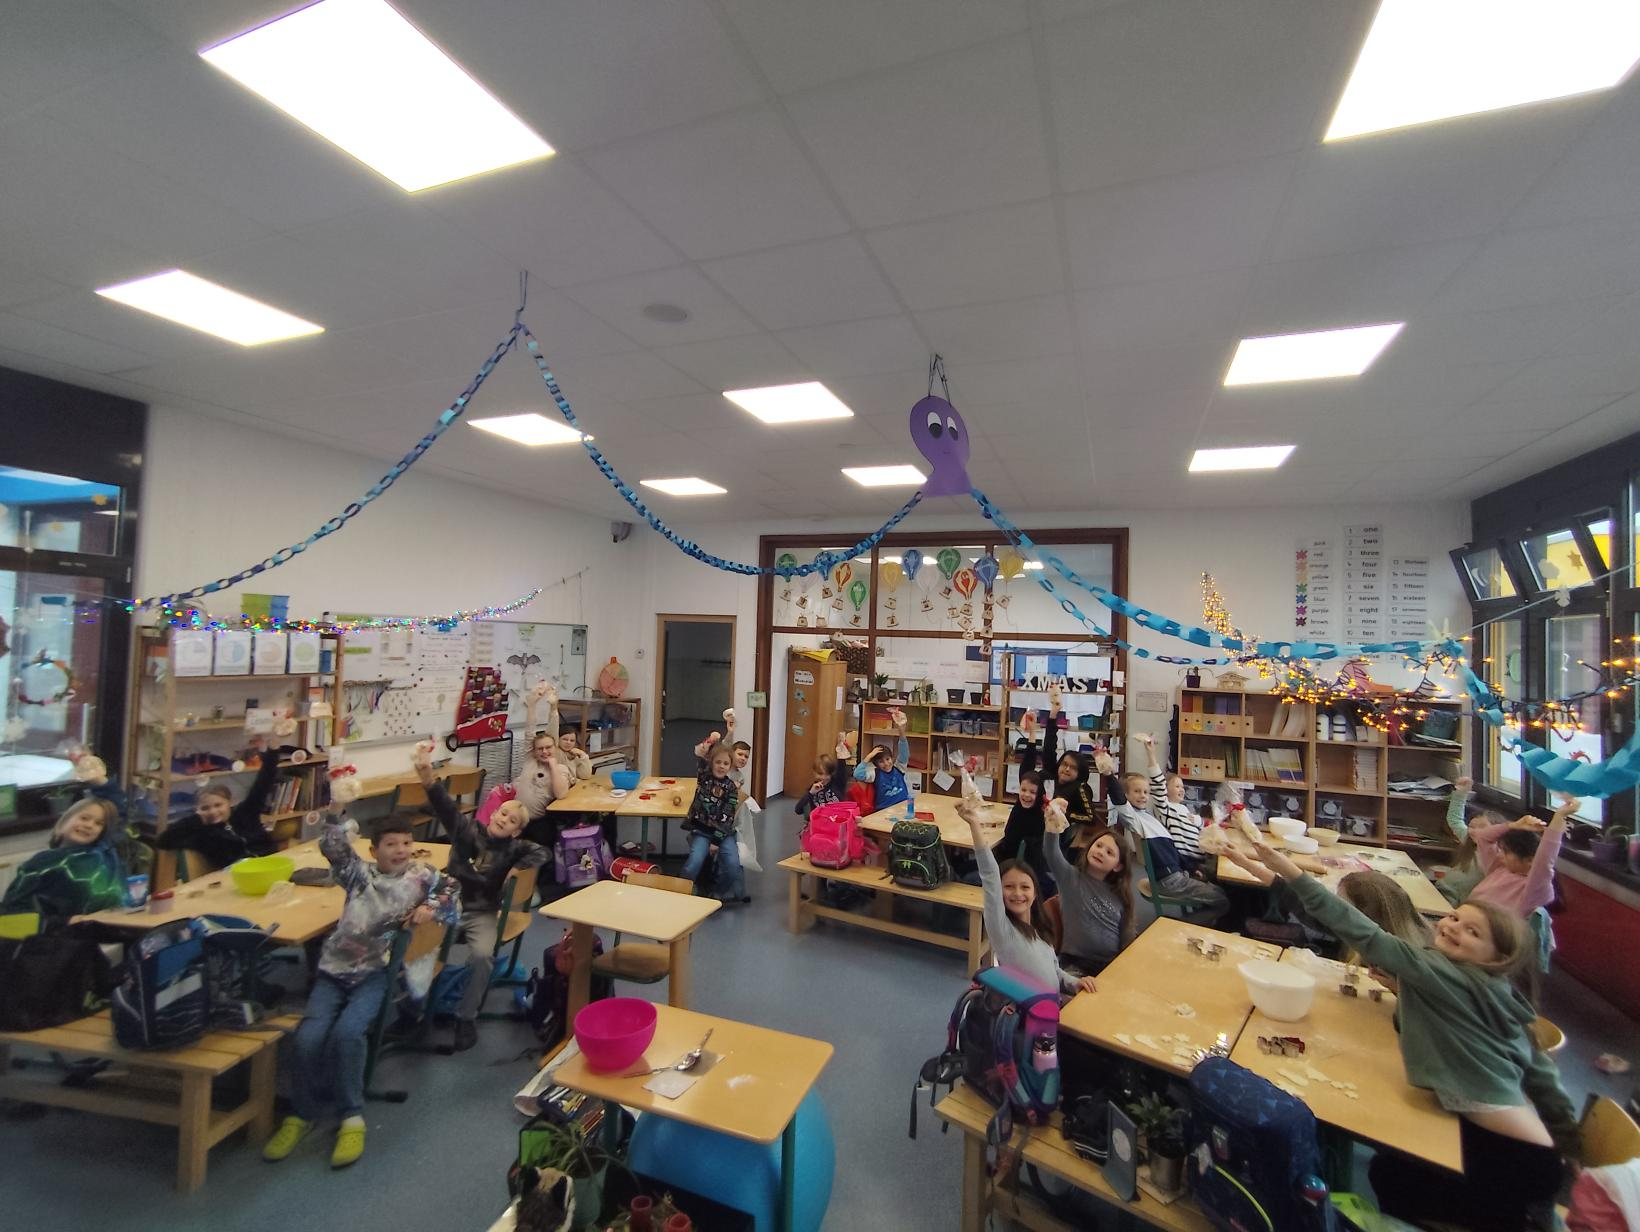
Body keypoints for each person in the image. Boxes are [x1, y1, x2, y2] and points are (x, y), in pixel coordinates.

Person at [1243, 836, 1577, 1232]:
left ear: (1499, 956)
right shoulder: (1497, 991)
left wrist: (1291, 871)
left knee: (1390, 1178)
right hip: (1537, 1156)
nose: (1453, 927)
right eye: (1455, 918)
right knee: (1391, 1169)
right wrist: (1570, 1144)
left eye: (1473, 932)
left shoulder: (1438, 971)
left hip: (1501, 1157)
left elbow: (1362, 931)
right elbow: (1543, 1076)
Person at [263, 805, 460, 1169]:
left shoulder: (420, 875)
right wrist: (335, 813)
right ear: (373, 850)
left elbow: (451, 887)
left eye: (406, 843)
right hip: (334, 971)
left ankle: (351, 1115)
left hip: (375, 973)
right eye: (391, 844)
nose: (400, 850)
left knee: (348, 1033)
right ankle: (301, 1113)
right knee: (308, 1037)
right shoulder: (359, 875)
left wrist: (431, 906)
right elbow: (334, 849)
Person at [414, 744, 545, 1052]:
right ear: (494, 813)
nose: (504, 820)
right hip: (446, 905)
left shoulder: (515, 849)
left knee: (483, 956)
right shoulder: (468, 832)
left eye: (512, 821)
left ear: (516, 832)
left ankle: (466, 1017)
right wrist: (428, 780)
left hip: (481, 912)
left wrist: (516, 866)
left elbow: (542, 852)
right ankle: (412, 1011)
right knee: (412, 945)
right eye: (503, 813)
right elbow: (446, 808)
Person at [958, 772, 1095, 996]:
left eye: (1025, 887)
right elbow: (990, 875)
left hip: (1055, 1004)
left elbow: (1055, 971)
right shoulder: (1002, 929)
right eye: (1008, 887)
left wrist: (1074, 983)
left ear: (1035, 892)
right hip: (1032, 1010)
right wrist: (974, 823)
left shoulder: (1040, 930)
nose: (1017, 893)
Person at [2, 768, 128, 928]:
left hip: (116, 926)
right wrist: (63, 922)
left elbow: (118, 810)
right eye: (84, 818)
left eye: (98, 823)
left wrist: (99, 781)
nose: (89, 825)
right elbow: (11, 915)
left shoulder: (104, 850)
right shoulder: (42, 863)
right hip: (67, 934)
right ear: (64, 822)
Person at [1110, 764, 1228, 917]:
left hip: (1175, 874)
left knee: (1220, 889)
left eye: (1146, 792)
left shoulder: (1149, 818)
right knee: (1222, 899)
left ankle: (1192, 921)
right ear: (1125, 795)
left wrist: (1192, 869)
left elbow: (1173, 852)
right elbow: (1118, 800)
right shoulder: (1135, 819)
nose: (1143, 796)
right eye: (1137, 791)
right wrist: (1108, 773)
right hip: (1168, 881)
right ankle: (1183, 926)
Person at [153, 741, 280, 871]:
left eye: (218, 805)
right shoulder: (201, 834)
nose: (213, 811)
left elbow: (263, 783)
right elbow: (163, 841)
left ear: (229, 803)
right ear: (197, 810)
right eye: (205, 808)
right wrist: (197, 818)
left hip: (271, 864)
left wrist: (273, 750)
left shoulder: (245, 813)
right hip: (239, 875)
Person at [1042, 801, 1134, 975]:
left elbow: (1126, 934)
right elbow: (1051, 852)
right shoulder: (1070, 877)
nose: (1100, 852)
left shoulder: (1119, 894)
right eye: (1098, 845)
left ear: (1118, 866)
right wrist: (1053, 822)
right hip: (1076, 963)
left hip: (1111, 963)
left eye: (1109, 852)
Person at [680, 735, 744, 901]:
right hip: (702, 831)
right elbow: (700, 753)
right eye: (718, 762)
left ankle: (717, 893)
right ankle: (681, 890)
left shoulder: (731, 788)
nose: (721, 766)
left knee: (732, 866)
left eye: (725, 764)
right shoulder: (704, 777)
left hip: (722, 834)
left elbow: (727, 817)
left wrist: (716, 841)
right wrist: (710, 740)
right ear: (711, 763)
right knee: (694, 863)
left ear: (730, 766)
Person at [515, 685, 571, 847]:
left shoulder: (561, 769)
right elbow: (529, 732)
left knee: (540, 847)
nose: (544, 752)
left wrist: (553, 765)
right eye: (540, 749)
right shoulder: (530, 760)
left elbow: (561, 794)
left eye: (548, 748)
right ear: (534, 751)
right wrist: (532, 705)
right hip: (517, 820)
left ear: (555, 748)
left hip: (539, 823)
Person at [1140, 734, 1203, 871]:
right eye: (1177, 786)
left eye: (1182, 787)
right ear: (1166, 790)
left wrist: (1199, 822)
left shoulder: (1183, 809)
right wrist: (1151, 754)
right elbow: (1158, 783)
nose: (1182, 790)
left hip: (1201, 856)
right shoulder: (1165, 808)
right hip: (1187, 861)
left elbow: (1200, 828)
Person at [996, 768, 1052, 891]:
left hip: (1019, 869)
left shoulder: (1038, 817)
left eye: (1032, 792)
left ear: (1040, 795)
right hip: (1016, 862)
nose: (1026, 795)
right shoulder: (1020, 809)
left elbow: (1009, 843)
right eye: (1023, 790)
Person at [853, 708, 912, 811]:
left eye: (888, 759)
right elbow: (857, 774)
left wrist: (901, 730)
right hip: (884, 810)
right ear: (876, 764)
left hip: (902, 807)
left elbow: (904, 752)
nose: (886, 763)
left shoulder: (899, 768)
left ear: (892, 758)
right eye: (881, 762)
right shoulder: (875, 774)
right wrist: (868, 757)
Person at [539, 685, 593, 786]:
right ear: (558, 739)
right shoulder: (556, 751)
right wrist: (553, 708)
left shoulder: (574, 754)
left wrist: (583, 755)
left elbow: (585, 775)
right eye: (565, 739)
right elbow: (552, 729)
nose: (568, 743)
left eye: (572, 740)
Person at [795, 736, 854, 818]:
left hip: (836, 821)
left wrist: (841, 757)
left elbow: (841, 770)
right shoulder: (813, 788)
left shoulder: (837, 783)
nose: (823, 777)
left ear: (831, 774)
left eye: (827, 774)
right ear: (814, 772)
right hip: (819, 823)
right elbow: (798, 810)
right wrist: (811, 793)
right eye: (819, 773)